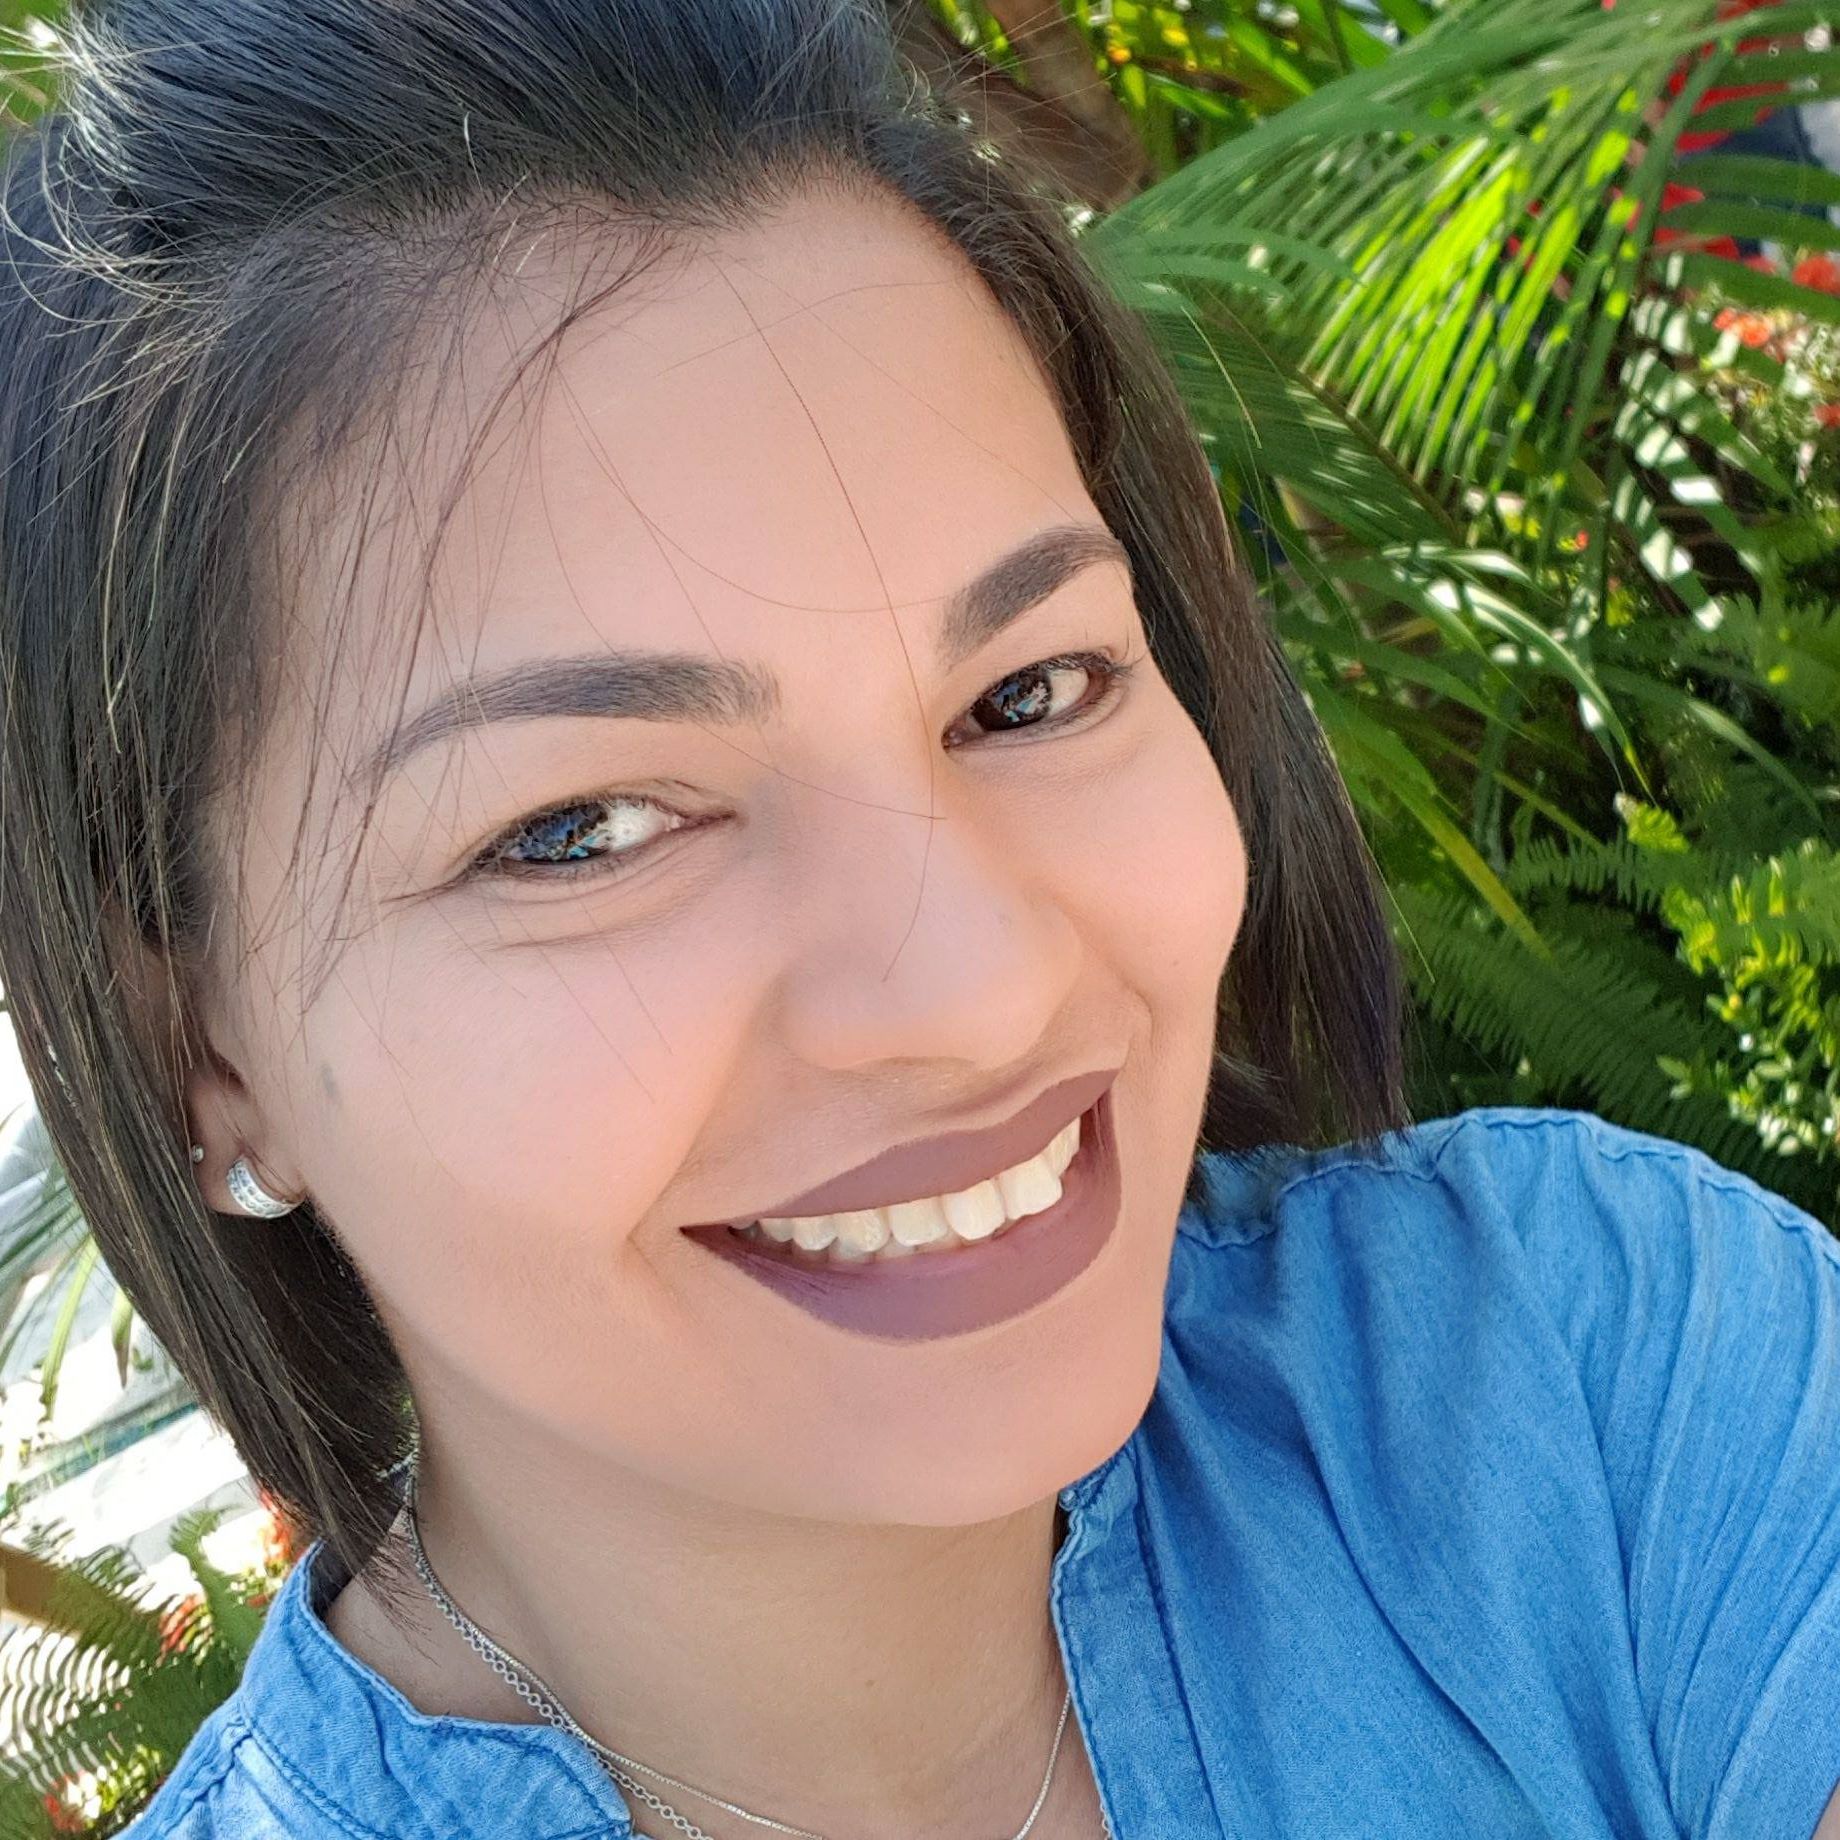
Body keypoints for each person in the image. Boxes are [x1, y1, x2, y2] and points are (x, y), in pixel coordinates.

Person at [0, 3, 1837, 1837]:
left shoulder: (1581, 1389)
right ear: (201, 1053)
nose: (982, 989)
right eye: (582, 830)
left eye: (1029, 692)